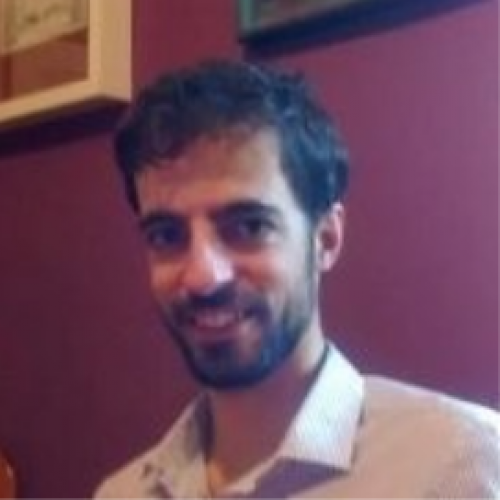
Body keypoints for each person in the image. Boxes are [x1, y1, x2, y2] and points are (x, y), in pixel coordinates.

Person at [95, 59, 499, 498]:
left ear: (325, 238)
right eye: (167, 235)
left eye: (248, 226)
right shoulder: (122, 493)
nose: (203, 277)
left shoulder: (457, 465)